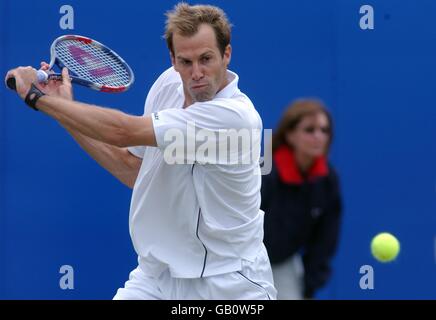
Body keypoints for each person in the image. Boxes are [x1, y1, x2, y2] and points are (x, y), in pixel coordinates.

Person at [5, 3, 276, 300]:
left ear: (227, 54)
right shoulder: (167, 85)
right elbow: (133, 169)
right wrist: (62, 109)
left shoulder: (235, 118)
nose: (196, 72)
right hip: (156, 277)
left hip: (228, 285)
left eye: (206, 59)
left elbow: (122, 131)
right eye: (185, 61)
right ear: (172, 59)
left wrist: (37, 98)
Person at [261, 99, 342, 300]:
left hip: (284, 264)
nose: (318, 137)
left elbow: (324, 241)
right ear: (289, 135)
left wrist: (310, 284)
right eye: (309, 130)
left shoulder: (327, 180)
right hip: (243, 265)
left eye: (324, 130)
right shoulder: (265, 172)